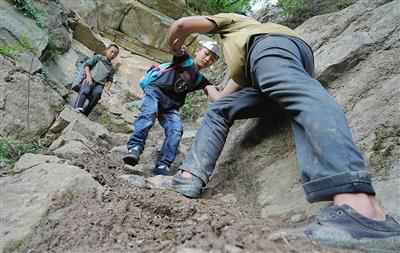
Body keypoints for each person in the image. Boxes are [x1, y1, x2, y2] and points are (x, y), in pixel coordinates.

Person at [167, 13, 400, 251]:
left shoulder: (241, 24)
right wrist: (206, 86)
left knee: (298, 91)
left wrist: (175, 49)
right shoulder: (241, 65)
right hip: (264, 70)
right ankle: (189, 177)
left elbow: (182, 24)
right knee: (221, 111)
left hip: (271, 47)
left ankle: (363, 211)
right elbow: (221, 100)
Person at [122, 41, 220, 176]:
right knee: (148, 114)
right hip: (155, 91)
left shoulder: (200, 79)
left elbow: (214, 94)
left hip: (171, 105)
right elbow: (177, 50)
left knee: (176, 129)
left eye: (212, 59)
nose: (208, 59)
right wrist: (178, 46)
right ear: (198, 51)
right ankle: (135, 148)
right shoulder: (185, 61)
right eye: (206, 53)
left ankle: (163, 165)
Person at [73, 44, 119, 116]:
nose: (112, 54)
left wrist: (107, 89)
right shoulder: (98, 57)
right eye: (111, 51)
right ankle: (77, 107)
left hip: (100, 84)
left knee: (97, 95)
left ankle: (85, 113)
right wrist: (88, 76)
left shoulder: (111, 68)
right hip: (90, 78)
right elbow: (87, 65)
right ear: (107, 50)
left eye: (115, 54)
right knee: (86, 90)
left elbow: (110, 79)